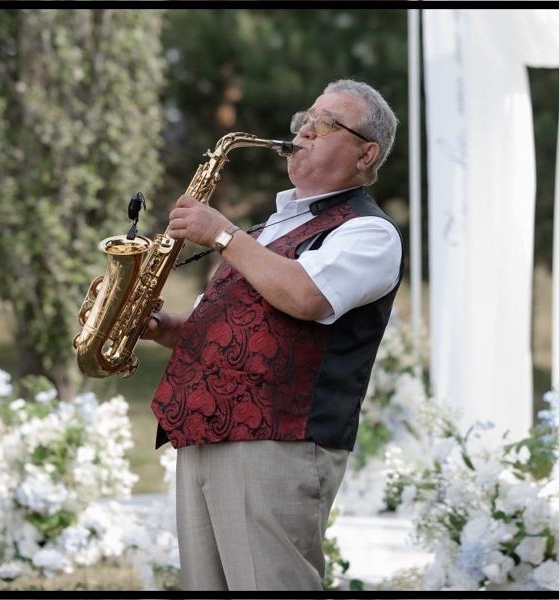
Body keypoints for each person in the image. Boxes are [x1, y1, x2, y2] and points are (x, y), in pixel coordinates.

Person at [143, 78, 404, 591]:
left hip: (276, 441)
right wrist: (168, 329)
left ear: (366, 154)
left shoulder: (369, 232)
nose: (305, 130)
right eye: (303, 119)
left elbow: (306, 298)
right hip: (205, 431)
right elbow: (238, 330)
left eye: (325, 123)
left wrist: (222, 233)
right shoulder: (269, 231)